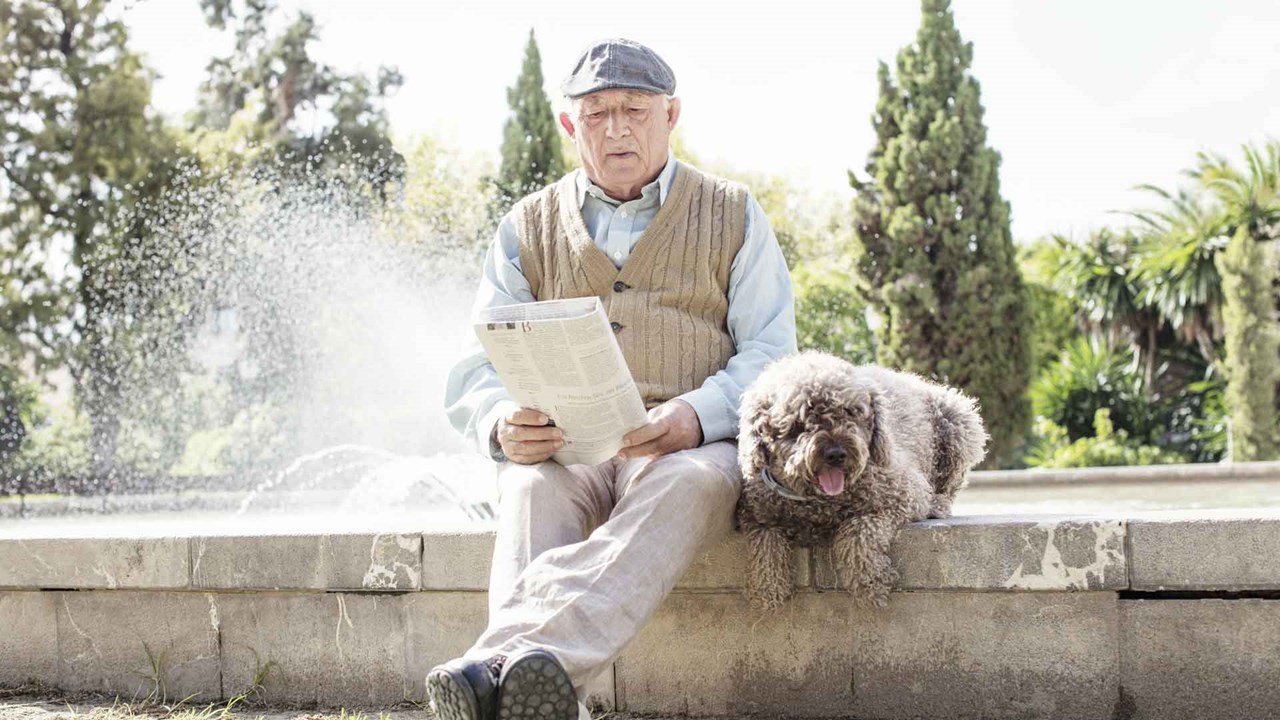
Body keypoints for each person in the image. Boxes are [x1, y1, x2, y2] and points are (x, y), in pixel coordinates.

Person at [433, 38, 797, 720]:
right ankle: (533, 691)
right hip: (565, 446)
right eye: (597, 113)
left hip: (688, 447)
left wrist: (695, 415)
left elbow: (772, 354)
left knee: (690, 482)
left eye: (635, 108)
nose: (618, 127)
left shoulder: (735, 212)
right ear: (571, 125)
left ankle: (492, 668)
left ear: (671, 114)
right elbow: (476, 362)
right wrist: (499, 422)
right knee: (527, 488)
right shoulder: (525, 226)